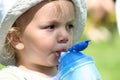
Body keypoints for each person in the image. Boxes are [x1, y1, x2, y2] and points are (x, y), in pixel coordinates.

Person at [0, 0, 87, 80]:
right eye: (51, 27)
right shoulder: (11, 77)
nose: (65, 36)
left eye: (69, 26)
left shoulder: (73, 73)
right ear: (16, 38)